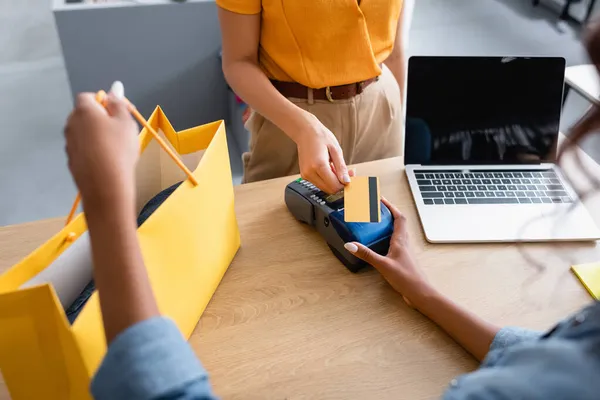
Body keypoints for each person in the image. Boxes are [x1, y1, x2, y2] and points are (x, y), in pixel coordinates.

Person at [67, 30, 600, 400]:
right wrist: (426, 294)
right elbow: (538, 352)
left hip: (377, 108)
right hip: (295, 112)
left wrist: (109, 200)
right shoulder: (576, 346)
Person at [217, 0, 407, 194]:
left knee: (384, 218)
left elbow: (395, 53)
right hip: (293, 126)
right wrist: (303, 129)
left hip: (381, 112)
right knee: (275, 220)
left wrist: (395, 116)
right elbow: (238, 61)